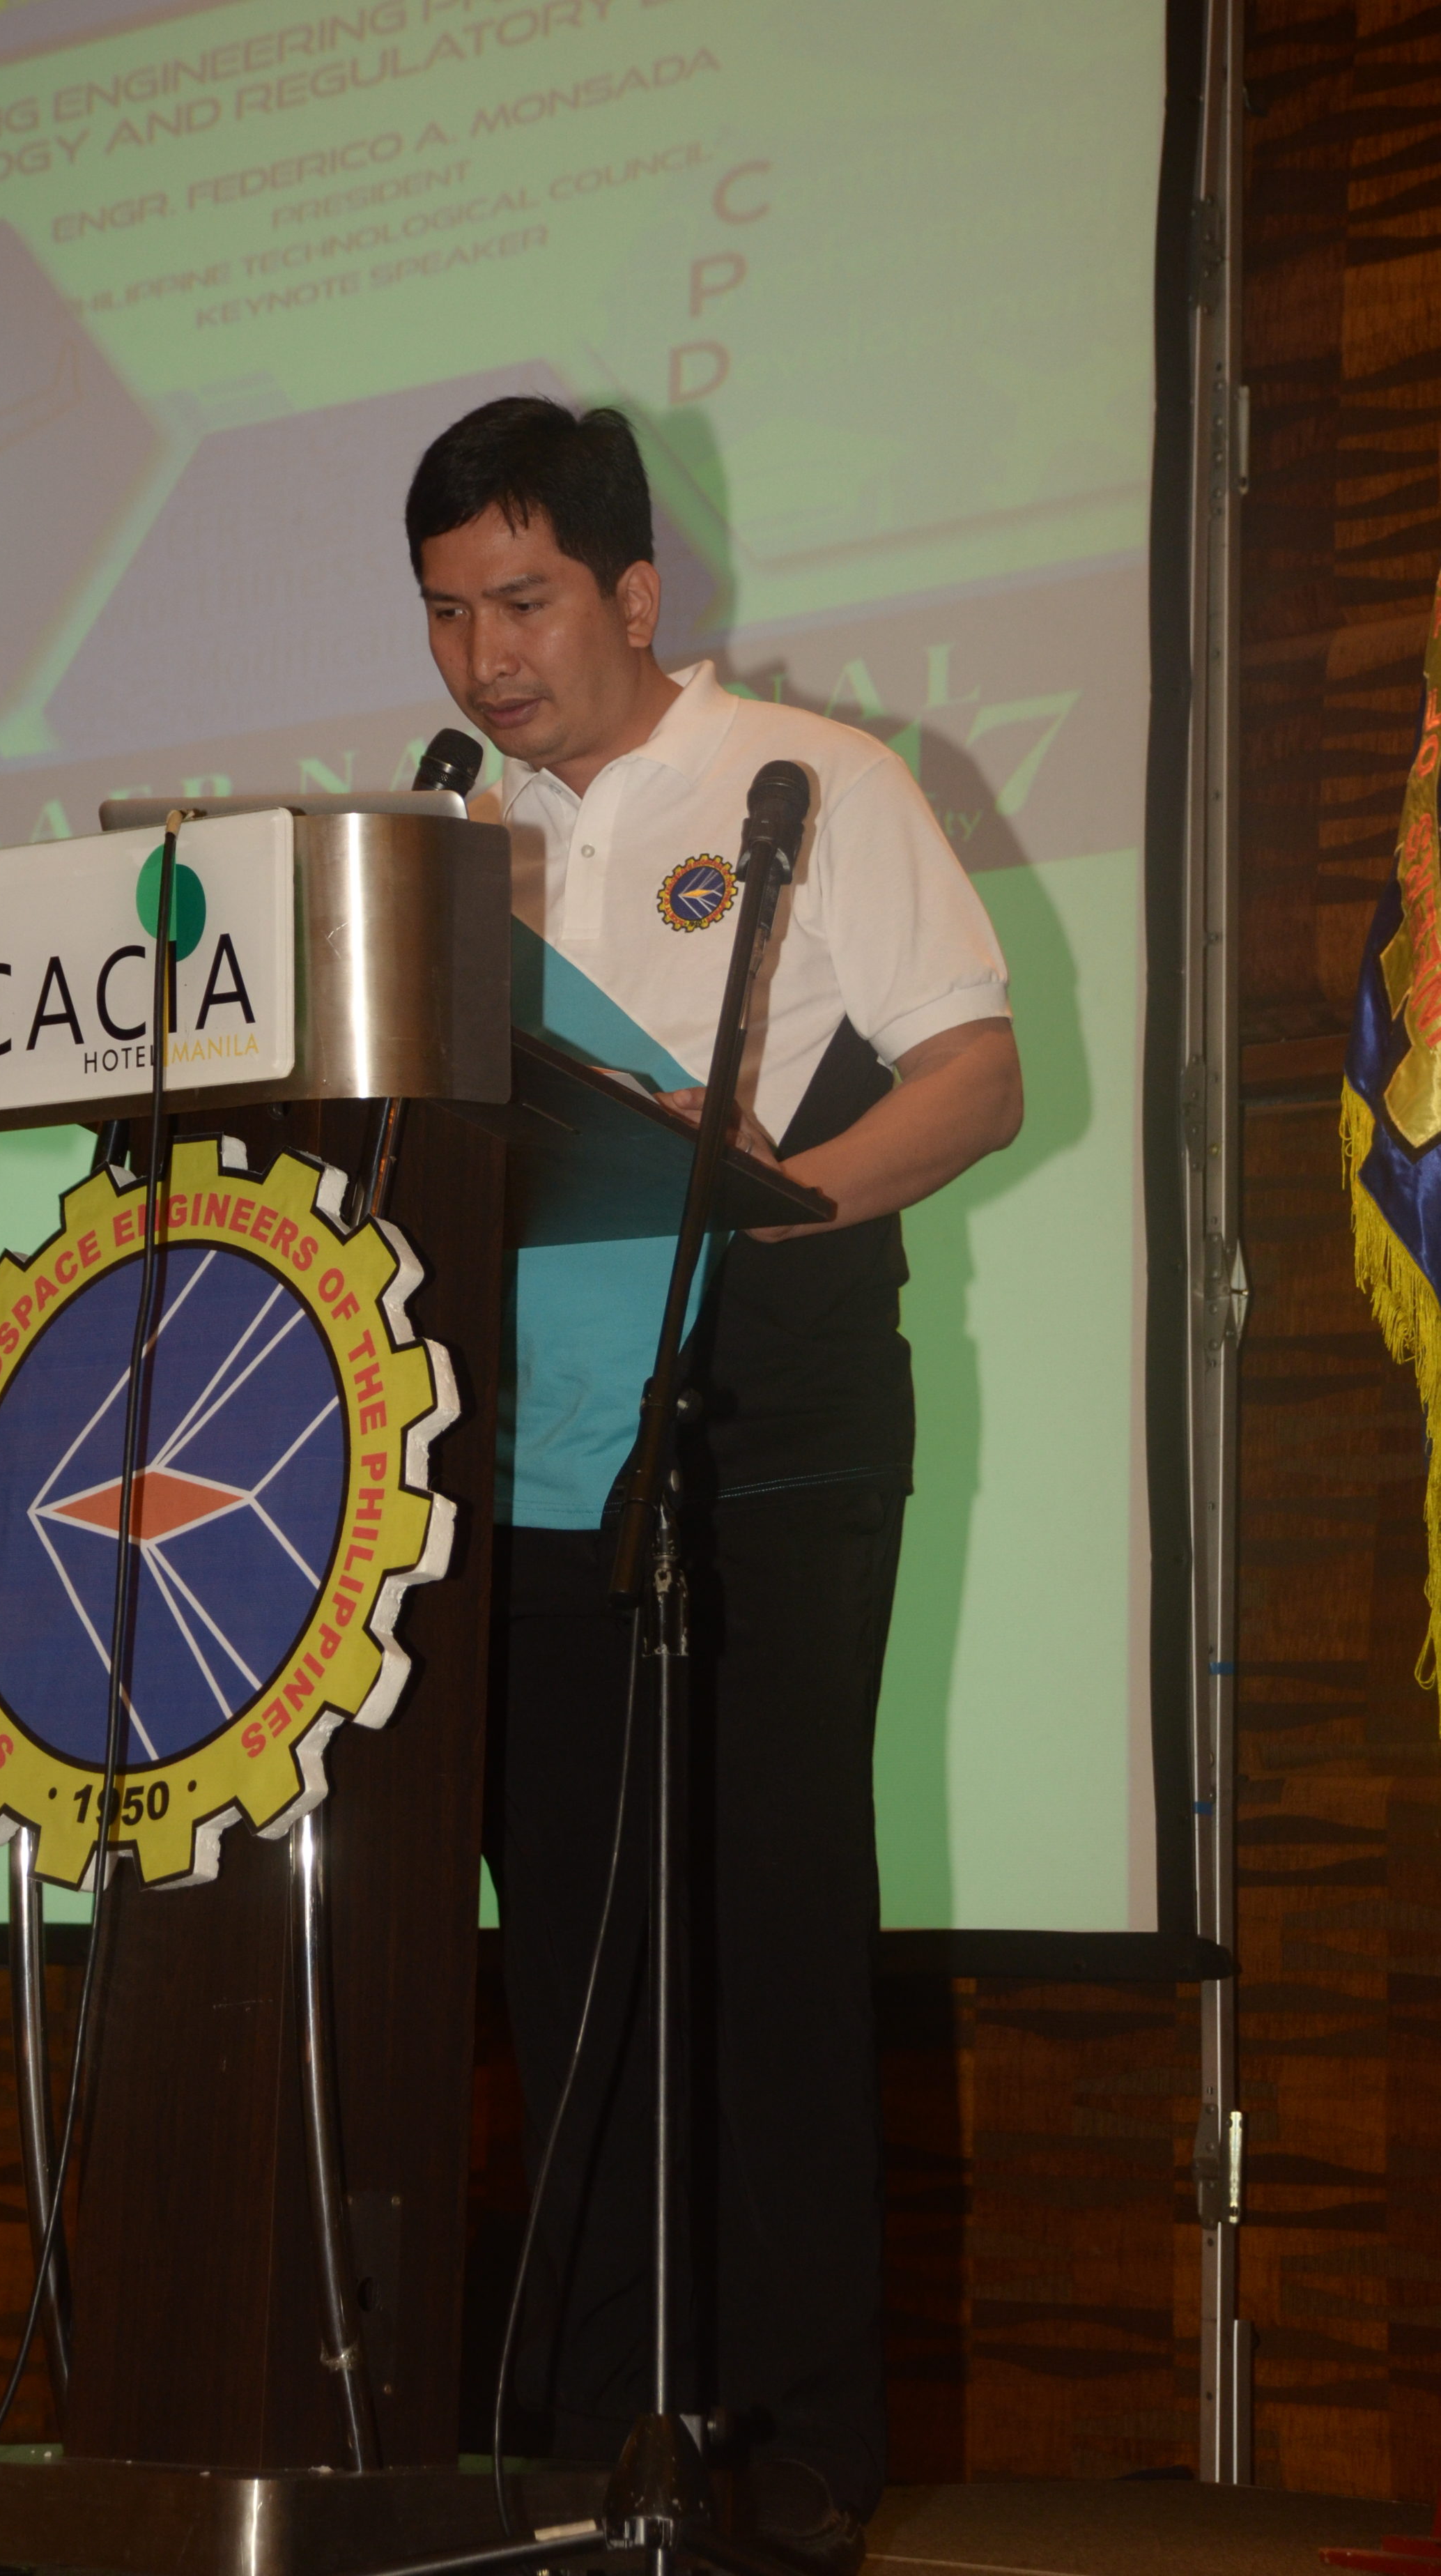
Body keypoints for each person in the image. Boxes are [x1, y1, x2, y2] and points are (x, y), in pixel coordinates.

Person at [405, 397, 1021, 2569]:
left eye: (525, 602)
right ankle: (598, 2441)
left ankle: (790, 2450)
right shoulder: (456, 846)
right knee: (573, 1967)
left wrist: (782, 1201)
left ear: (635, 591)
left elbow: (976, 1067)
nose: (484, 658)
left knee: (763, 1945)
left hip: (770, 1421)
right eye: (448, 615)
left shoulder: (809, 781)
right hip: (525, 1453)